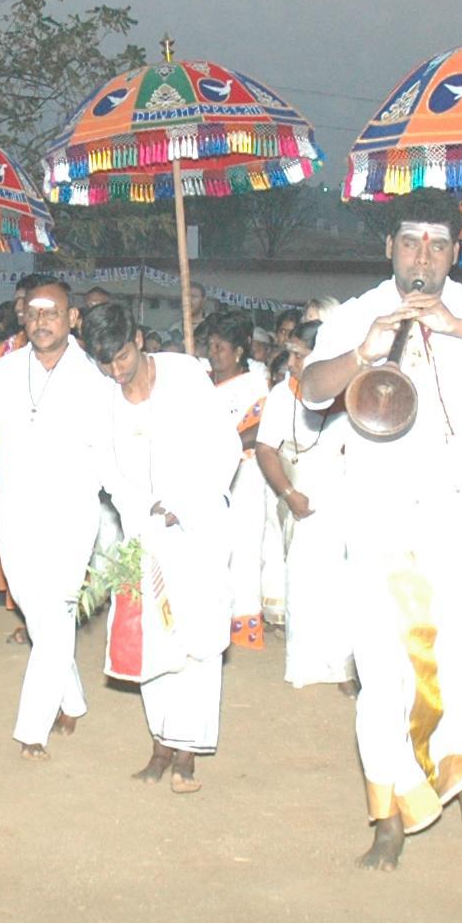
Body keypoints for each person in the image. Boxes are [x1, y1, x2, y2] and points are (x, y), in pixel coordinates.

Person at [299, 194, 462, 869]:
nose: (423, 257)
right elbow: (312, 390)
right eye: (410, 243)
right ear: (391, 247)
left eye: (437, 245)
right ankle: (389, 813)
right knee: (382, 668)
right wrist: (363, 351)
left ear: (453, 253)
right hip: (379, 515)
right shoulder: (359, 312)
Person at [0, 277, 120, 758]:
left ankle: (32, 728)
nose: (42, 321)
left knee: (57, 609)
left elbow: (114, 449)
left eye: (53, 312)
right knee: (39, 612)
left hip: (72, 512)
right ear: (23, 317)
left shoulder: (97, 375)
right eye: (35, 312)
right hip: (15, 510)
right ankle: (73, 698)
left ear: (73, 318)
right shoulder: (4, 371)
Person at [76, 301, 236, 790]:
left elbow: (224, 447)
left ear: (139, 340)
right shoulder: (100, 398)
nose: (116, 370)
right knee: (152, 637)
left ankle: (188, 752)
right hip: (142, 533)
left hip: (199, 528)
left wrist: (183, 504)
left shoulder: (185, 376)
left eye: (122, 356)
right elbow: (105, 468)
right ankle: (161, 743)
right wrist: (143, 508)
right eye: (105, 362)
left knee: (198, 639)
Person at [254, 310, 352, 689]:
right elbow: (265, 448)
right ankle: (308, 664)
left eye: (299, 355)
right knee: (304, 580)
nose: (290, 362)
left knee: (342, 581)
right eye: (290, 353)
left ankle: (343, 665)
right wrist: (289, 494)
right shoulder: (283, 395)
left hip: (343, 492)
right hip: (299, 489)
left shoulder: (353, 392)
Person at [200, 311, 273, 650]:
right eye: (211, 346)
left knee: (244, 548)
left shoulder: (254, 384)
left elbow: (258, 429)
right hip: (206, 476)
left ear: (239, 352)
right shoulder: (200, 381)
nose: (213, 353)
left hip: (244, 473)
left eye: (221, 348)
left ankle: (244, 624)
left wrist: (223, 449)